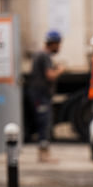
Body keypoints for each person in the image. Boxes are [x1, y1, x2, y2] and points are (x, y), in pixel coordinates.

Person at [27, 30, 64, 162]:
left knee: (43, 122)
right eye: (59, 44)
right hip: (40, 95)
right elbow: (50, 75)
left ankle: (43, 153)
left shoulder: (39, 54)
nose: (59, 47)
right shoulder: (45, 56)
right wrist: (60, 70)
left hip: (38, 94)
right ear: (53, 43)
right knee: (44, 123)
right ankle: (44, 155)